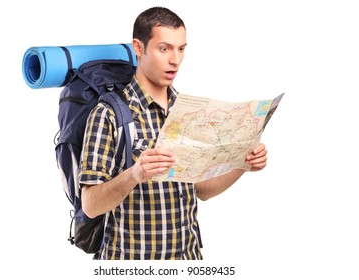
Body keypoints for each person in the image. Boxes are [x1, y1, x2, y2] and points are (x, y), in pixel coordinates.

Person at [78, 6, 268, 260]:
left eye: (181, 49)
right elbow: (90, 205)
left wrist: (241, 164)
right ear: (139, 47)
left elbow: (200, 189)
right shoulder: (109, 114)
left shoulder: (188, 113)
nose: (175, 60)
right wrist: (135, 174)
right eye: (164, 48)